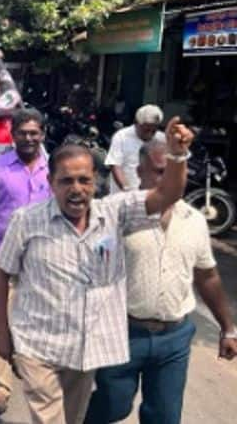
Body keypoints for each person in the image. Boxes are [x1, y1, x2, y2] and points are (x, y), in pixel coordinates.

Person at [0, 117, 194, 424]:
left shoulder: (114, 213)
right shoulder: (26, 220)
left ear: (96, 182)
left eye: (84, 180)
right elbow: (2, 273)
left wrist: (178, 155)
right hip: (37, 346)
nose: (76, 189)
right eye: (66, 181)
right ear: (51, 183)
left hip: (82, 351)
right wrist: (3, 336)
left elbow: (168, 195)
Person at [85, 140, 237, 424]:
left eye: (173, 171)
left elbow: (207, 276)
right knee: (112, 406)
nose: (167, 179)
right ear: (139, 171)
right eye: (158, 171)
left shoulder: (194, 220)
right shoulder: (117, 213)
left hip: (174, 337)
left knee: (165, 417)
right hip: (122, 333)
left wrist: (228, 328)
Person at [0, 108, 51, 415]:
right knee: (0, 320)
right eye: (23, 132)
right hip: (0, 256)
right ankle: (0, 388)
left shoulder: (55, 168)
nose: (29, 138)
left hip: (42, 259)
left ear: (43, 135)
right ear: (13, 135)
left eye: (34, 133)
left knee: (38, 320)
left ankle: (32, 370)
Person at [105, 104, 165, 193]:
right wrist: (126, 190)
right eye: (146, 130)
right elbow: (115, 165)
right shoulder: (121, 136)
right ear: (136, 123)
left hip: (148, 197)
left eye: (153, 131)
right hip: (122, 195)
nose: (150, 134)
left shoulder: (161, 139)